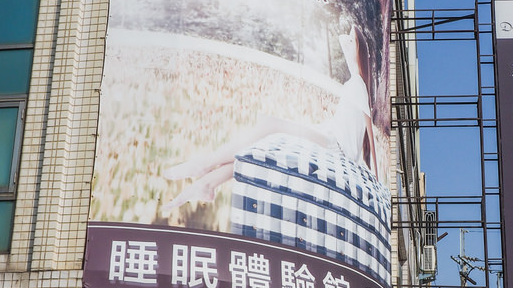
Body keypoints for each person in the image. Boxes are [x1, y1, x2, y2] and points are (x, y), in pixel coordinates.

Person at [161, 25, 378, 213]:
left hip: (336, 149)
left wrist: (376, 178)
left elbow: (369, 135)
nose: (346, 44)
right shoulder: (355, 83)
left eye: (351, 41)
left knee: (270, 124)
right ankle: (208, 182)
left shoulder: (358, 85)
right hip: (332, 143)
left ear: (358, 49)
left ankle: (204, 164)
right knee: (263, 144)